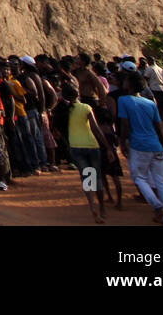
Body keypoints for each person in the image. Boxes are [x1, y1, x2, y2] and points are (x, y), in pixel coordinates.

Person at [118, 71, 163, 224]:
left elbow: (125, 125)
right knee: (162, 182)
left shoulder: (124, 100)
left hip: (139, 145)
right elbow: (158, 129)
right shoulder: (150, 103)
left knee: (139, 177)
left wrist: (123, 143)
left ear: (130, 84)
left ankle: (156, 205)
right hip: (156, 145)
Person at [62, 83, 109, 222]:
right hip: (91, 145)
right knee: (97, 177)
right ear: (78, 94)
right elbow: (95, 129)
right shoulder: (86, 108)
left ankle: (92, 206)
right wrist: (107, 146)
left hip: (76, 146)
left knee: (87, 178)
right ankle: (102, 207)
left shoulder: (64, 111)